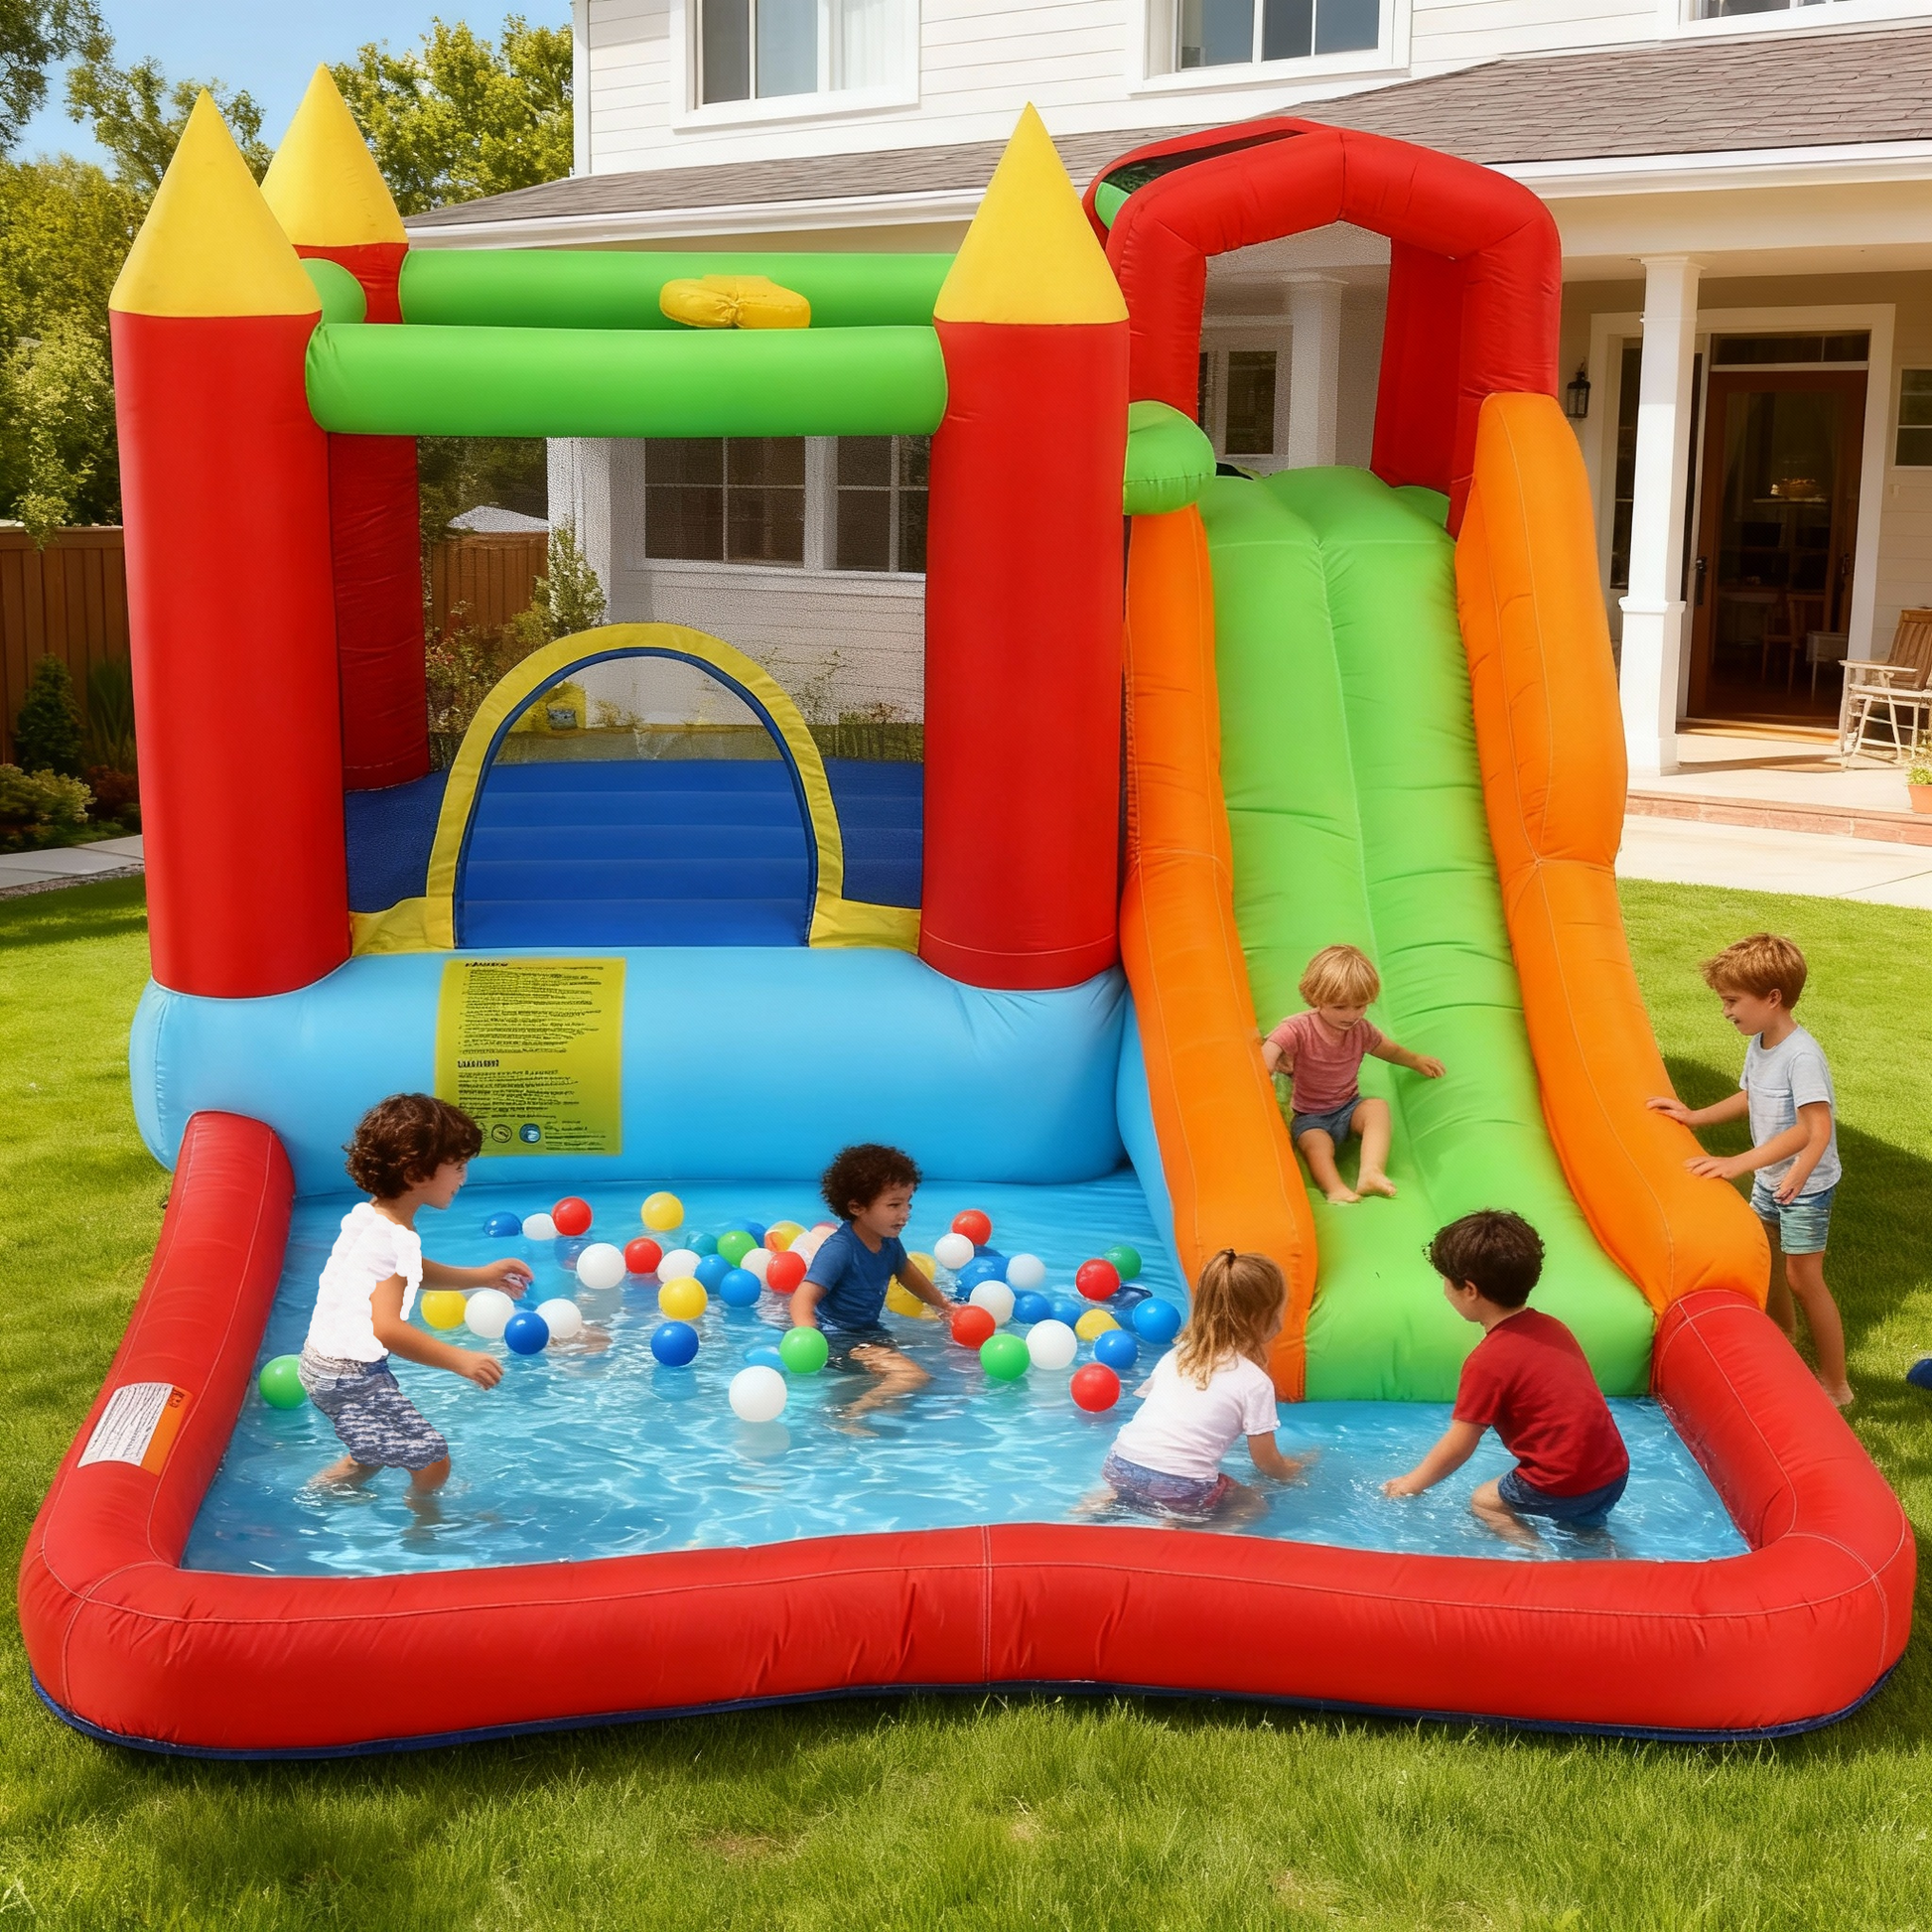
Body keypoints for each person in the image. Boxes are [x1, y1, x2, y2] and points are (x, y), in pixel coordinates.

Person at [1646, 933, 1850, 1409]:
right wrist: (1694, 1116)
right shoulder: (1762, 1043)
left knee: (1804, 1278)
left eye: (1732, 1001)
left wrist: (1755, 1166)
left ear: (1772, 998)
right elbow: (1751, 1095)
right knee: (1767, 1261)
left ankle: (1837, 1384)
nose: (1725, 1011)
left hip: (1804, 1186)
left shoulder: (1801, 1055)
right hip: (1773, 1178)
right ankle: (1783, 1335)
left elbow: (1815, 1128)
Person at [298, 1093, 532, 1500]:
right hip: (348, 1374)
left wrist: (482, 1277)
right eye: (457, 1167)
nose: (463, 1178)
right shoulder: (393, 1238)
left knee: (372, 1452)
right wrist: (461, 1359)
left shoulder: (372, 1217)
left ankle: (315, 1497)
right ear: (415, 1172)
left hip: (322, 1364)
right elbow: (386, 1328)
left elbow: (408, 1272)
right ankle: (423, 1528)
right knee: (432, 1462)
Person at [1383, 1211, 1628, 1548]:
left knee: (1484, 1501)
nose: (1444, 1289)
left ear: (1470, 1289)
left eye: (1445, 1280)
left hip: (1563, 1481)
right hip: (1613, 1471)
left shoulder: (1487, 1362)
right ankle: (1607, 1557)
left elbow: (1459, 1444)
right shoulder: (1553, 1327)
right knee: (1583, 1531)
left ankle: (1538, 1558)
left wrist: (1411, 1484)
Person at [1087, 1249, 1308, 1525]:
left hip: (1121, 1465)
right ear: (1262, 1317)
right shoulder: (1255, 1382)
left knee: (1135, 1491)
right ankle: (1179, 1531)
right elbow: (1267, 1463)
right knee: (1252, 1503)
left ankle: (1093, 1510)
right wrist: (1296, 1473)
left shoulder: (1178, 1355)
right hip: (1180, 1487)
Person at [1261, 943, 1445, 1204]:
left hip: (1348, 1108)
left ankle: (1371, 1172)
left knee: (1377, 1108)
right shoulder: (1298, 1028)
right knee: (1315, 1144)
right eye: (1340, 1007)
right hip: (1310, 1116)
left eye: (1360, 1006)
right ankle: (1335, 1188)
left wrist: (1415, 1060)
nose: (1351, 1015)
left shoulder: (1361, 1030)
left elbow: (1389, 1050)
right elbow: (1269, 1050)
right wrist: (1266, 1070)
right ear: (1316, 998)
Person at [789, 1143, 955, 1417]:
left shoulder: (888, 1242)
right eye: (894, 1205)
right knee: (912, 1377)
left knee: (931, 1360)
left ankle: (872, 1404)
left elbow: (906, 1271)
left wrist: (944, 1305)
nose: (905, 1214)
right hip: (837, 1339)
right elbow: (802, 1299)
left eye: (908, 1203)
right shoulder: (840, 1249)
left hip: (869, 1332)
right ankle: (849, 1413)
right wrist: (810, 1340)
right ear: (856, 1207)